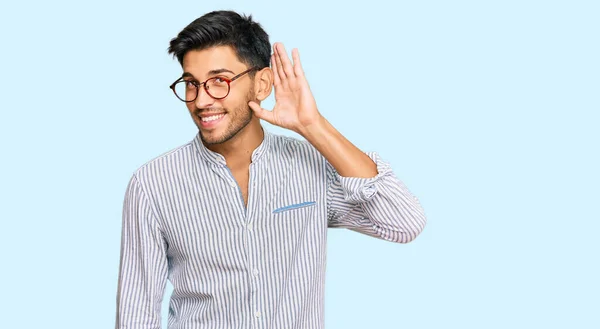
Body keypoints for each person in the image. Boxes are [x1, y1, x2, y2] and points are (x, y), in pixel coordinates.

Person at [115, 10, 427, 329]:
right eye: (192, 84)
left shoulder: (310, 167)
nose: (201, 100)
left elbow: (404, 223)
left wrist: (312, 125)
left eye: (219, 81)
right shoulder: (152, 184)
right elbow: (136, 313)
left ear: (262, 83)